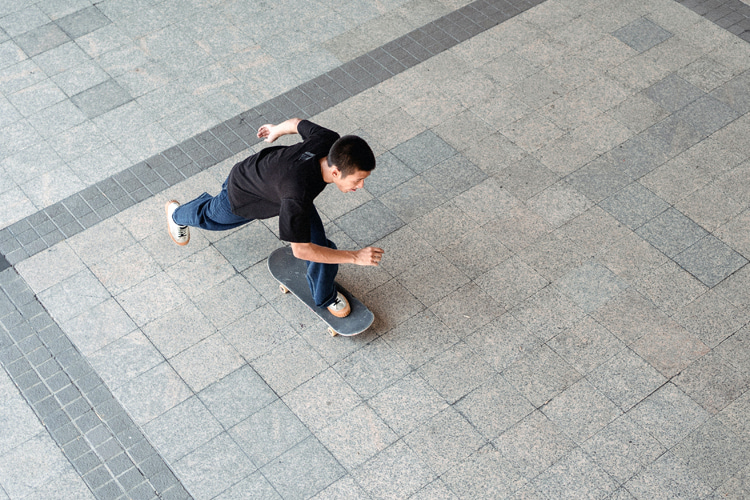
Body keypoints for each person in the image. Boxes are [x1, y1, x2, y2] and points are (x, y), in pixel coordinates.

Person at [165, 118, 384, 318]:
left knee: (323, 246)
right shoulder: (296, 195)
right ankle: (177, 215)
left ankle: (325, 296)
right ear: (335, 172)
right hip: (244, 192)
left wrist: (276, 130)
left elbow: (298, 123)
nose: (361, 185)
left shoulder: (329, 141)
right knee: (209, 217)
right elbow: (301, 250)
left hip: (275, 181)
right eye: (358, 179)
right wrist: (355, 257)